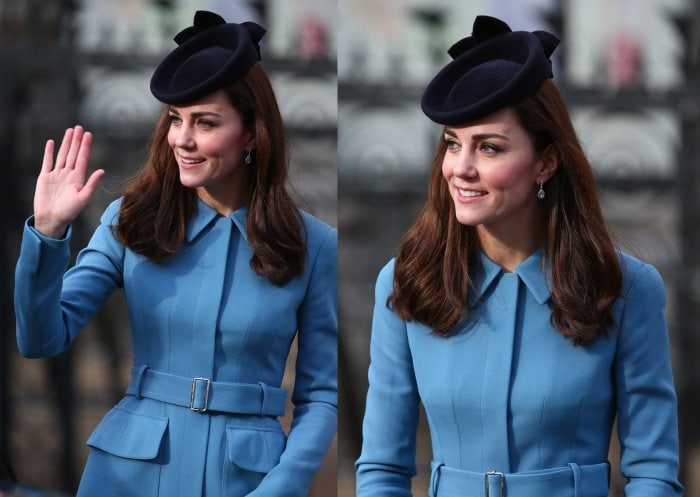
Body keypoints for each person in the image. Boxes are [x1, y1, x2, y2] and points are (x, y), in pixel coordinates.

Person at [355, 15, 682, 497]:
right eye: (452, 144)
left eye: (488, 148)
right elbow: (382, 468)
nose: (460, 169)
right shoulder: (407, 283)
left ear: (546, 162)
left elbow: (653, 472)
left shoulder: (625, 288)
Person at [14, 10, 337, 497]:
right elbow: (41, 339)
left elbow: (322, 398)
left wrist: (281, 486)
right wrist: (48, 232)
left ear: (252, 133)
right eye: (175, 119)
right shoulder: (131, 219)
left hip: (246, 480)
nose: (182, 139)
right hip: (128, 475)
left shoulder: (314, 244)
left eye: (205, 123)